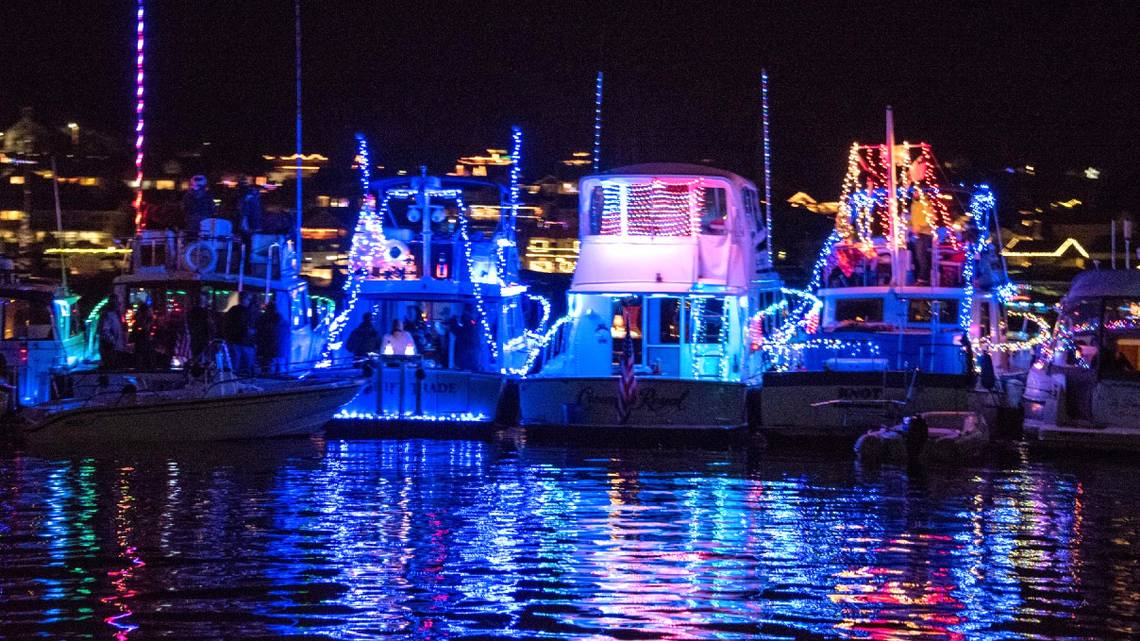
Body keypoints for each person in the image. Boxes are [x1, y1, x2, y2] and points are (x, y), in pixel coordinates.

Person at [222, 293, 256, 375]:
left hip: (235, 341)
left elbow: (227, 325)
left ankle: (234, 381)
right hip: (244, 342)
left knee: (235, 364)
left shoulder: (233, 310)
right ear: (243, 299)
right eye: (248, 299)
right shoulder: (248, 311)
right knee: (247, 365)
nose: (249, 302)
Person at [255, 298, 288, 373]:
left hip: (267, 349)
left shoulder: (263, 319)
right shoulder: (282, 320)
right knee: (279, 369)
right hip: (279, 349)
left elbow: (260, 333)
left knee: (268, 369)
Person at [98, 295, 126, 369]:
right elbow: (105, 332)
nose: (120, 305)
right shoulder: (108, 315)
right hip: (111, 351)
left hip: (116, 350)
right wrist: (114, 342)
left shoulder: (116, 315)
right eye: (118, 303)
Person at [449, 304, 479, 370]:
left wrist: (452, 321)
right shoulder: (472, 324)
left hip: (465, 352)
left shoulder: (468, 325)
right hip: (467, 352)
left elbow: (457, 331)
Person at [187, 293, 213, 366]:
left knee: (197, 355)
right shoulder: (206, 312)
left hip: (197, 338)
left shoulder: (191, 312)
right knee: (201, 356)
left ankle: (196, 369)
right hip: (202, 338)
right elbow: (209, 325)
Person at [131, 301, 155, 370]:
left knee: (145, 358)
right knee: (140, 358)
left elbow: (147, 328)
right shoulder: (140, 319)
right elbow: (144, 327)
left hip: (145, 342)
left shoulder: (148, 319)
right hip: (141, 341)